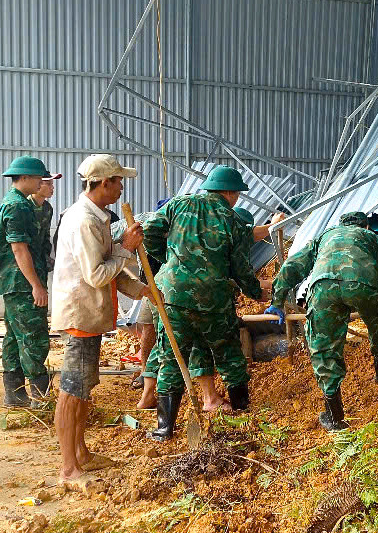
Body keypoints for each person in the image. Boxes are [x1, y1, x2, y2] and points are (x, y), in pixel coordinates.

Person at [142, 165, 263, 441]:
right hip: (214, 300)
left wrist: (169, 260)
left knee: (172, 359)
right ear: (230, 193)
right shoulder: (232, 221)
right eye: (237, 194)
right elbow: (240, 267)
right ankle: (243, 411)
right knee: (229, 353)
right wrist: (255, 291)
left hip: (174, 297)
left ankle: (164, 429)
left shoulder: (179, 205)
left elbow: (149, 229)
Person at [52, 154, 147, 486]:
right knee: (72, 389)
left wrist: (144, 291)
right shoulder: (84, 220)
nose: (121, 187)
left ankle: (81, 453)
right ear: (104, 183)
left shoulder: (98, 217)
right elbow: (96, 275)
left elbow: (111, 270)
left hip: (92, 314)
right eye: (118, 181)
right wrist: (126, 247)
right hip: (81, 312)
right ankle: (68, 469)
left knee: (84, 388)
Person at [133, 205, 282, 411]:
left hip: (165, 290)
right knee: (184, 346)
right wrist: (257, 291)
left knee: (171, 345)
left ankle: (195, 399)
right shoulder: (222, 239)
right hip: (179, 297)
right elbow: (235, 274)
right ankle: (201, 399)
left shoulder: (198, 233)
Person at [269, 211, 378, 431]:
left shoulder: (326, 236)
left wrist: (277, 299)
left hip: (324, 287)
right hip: (364, 284)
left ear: (339, 225)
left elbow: (293, 266)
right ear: (366, 226)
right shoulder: (372, 237)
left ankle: (334, 416)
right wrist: (373, 305)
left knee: (324, 347)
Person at [0, 156, 60, 408]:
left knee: (14, 336)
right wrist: (36, 285)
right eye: (37, 178)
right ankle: (40, 398)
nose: (41, 182)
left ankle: (15, 393)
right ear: (24, 178)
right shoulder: (18, 206)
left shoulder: (20, 203)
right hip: (21, 283)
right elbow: (19, 249)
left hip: (15, 282)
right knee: (34, 336)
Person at [29, 177, 57, 271]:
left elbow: (46, 236)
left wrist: (46, 258)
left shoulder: (47, 208)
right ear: (37, 184)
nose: (52, 188)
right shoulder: (24, 206)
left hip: (40, 263)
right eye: (48, 184)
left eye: (52, 184)